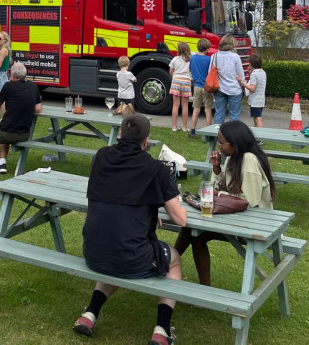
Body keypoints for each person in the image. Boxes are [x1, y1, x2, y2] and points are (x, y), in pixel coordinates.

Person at [73, 113, 186, 344]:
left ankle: (89, 314)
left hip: (93, 251)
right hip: (129, 257)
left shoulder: (101, 157)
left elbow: (116, 193)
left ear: (121, 134)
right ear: (146, 142)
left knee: (117, 250)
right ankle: (162, 330)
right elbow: (180, 219)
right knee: (173, 260)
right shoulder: (156, 169)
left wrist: (145, 211)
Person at [173, 120, 275, 286]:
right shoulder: (233, 157)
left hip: (255, 223)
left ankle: (168, 263)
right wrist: (216, 169)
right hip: (236, 217)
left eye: (222, 143)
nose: (219, 146)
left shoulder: (249, 160)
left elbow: (249, 200)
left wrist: (218, 193)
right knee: (192, 230)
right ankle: (174, 265)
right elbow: (219, 187)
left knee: (194, 232)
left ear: (235, 143)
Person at [209, 33, 245, 125]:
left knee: (219, 114)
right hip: (234, 89)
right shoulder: (235, 57)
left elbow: (210, 72)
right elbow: (240, 75)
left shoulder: (214, 56)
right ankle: (232, 137)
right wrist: (243, 87)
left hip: (219, 88)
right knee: (234, 115)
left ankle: (216, 136)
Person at [188, 38, 214, 138]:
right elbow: (210, 73)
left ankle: (193, 131)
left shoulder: (193, 58)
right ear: (207, 48)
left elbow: (190, 69)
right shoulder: (208, 59)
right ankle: (208, 133)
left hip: (197, 86)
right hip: (206, 87)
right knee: (208, 110)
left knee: (196, 110)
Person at [169, 41, 192, 132]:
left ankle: (174, 126)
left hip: (176, 80)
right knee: (185, 105)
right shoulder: (190, 59)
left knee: (175, 105)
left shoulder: (175, 59)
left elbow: (171, 70)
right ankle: (184, 127)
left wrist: (174, 78)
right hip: (186, 81)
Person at [242, 53, 267, 128]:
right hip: (261, 99)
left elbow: (252, 88)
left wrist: (242, 83)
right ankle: (256, 135)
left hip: (255, 100)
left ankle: (260, 136)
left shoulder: (254, 74)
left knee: (257, 119)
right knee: (256, 118)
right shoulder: (262, 72)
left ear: (252, 64)